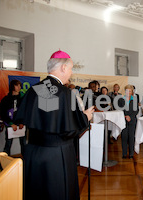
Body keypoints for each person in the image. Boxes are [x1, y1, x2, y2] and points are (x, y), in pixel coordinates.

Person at [14, 50, 94, 200]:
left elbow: (50, 120)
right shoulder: (64, 93)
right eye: (70, 69)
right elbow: (68, 130)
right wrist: (85, 117)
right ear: (63, 68)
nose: (70, 73)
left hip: (33, 152)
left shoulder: (36, 89)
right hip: (56, 156)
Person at [0, 80, 25, 156]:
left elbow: (25, 111)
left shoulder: (22, 98)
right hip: (10, 125)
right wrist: (10, 124)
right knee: (8, 144)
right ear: (12, 86)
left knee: (23, 144)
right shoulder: (6, 99)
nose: (19, 87)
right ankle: (6, 162)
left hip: (20, 125)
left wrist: (22, 122)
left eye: (20, 86)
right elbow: (3, 114)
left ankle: (24, 162)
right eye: (17, 85)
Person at [118, 85, 138, 159]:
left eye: (129, 91)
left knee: (131, 137)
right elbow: (119, 109)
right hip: (123, 120)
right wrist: (125, 116)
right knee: (124, 137)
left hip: (132, 120)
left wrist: (130, 117)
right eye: (127, 90)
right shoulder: (121, 99)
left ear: (132, 92)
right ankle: (124, 153)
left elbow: (136, 110)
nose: (128, 92)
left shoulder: (135, 99)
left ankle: (131, 153)